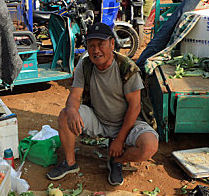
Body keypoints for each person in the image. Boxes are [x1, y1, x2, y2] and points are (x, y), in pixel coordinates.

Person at [46, 22, 159, 186]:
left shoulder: (127, 68)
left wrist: (119, 139)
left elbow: (135, 107)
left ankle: (117, 160)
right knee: (65, 115)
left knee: (149, 146)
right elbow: (75, 96)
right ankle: (70, 163)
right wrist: (71, 110)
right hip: (98, 119)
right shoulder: (85, 65)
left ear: (112, 43)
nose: (96, 50)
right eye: (91, 45)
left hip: (128, 124)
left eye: (101, 44)